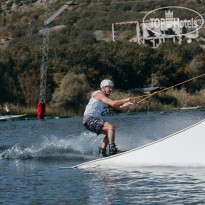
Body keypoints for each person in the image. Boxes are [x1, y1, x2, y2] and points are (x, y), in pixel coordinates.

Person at [83, 79, 136, 157]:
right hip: (89, 119)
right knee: (110, 127)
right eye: (109, 88)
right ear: (103, 87)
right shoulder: (99, 94)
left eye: (112, 88)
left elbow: (117, 106)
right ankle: (112, 150)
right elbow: (112, 103)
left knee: (109, 132)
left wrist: (128, 103)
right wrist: (126, 99)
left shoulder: (106, 97)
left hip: (93, 120)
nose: (111, 89)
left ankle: (102, 152)